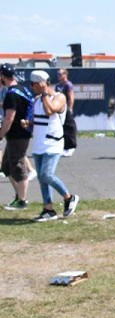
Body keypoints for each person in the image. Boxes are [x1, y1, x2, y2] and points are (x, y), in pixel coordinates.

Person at [26, 70, 79, 221]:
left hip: (53, 143)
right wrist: (28, 124)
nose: (31, 87)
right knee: (42, 179)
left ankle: (69, 198)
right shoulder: (36, 100)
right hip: (39, 144)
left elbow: (50, 111)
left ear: (42, 83)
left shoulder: (59, 97)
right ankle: (48, 209)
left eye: (33, 84)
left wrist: (44, 94)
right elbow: (38, 121)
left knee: (46, 175)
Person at [0, 63, 33, 210]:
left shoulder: (11, 94)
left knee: (18, 166)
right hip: (20, 134)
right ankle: (18, 197)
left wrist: (0, 134)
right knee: (7, 166)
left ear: (2, 76)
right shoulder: (22, 89)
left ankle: (22, 201)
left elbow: (9, 118)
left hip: (17, 135)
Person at [55, 68, 77, 157]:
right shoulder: (58, 86)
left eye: (60, 74)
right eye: (58, 74)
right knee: (62, 129)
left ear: (65, 75)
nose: (58, 76)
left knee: (69, 128)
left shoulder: (68, 85)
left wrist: (70, 109)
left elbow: (71, 98)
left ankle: (71, 147)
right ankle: (64, 147)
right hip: (60, 110)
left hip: (66, 110)